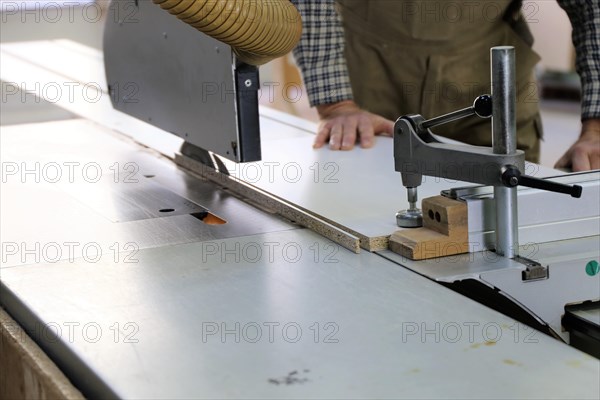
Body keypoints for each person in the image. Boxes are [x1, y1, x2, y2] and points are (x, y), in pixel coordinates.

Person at [290, 0, 600, 171]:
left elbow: (591, 8)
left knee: (503, 223)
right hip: (368, 79)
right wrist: (337, 105)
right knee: (365, 222)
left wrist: (596, 127)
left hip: (490, 80)